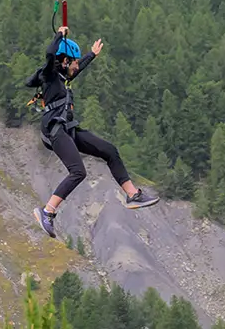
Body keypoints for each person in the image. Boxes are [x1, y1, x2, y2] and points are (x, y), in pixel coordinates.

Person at [24, 25, 158, 236]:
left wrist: (92, 55)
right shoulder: (50, 74)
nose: (76, 67)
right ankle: (47, 212)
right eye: (74, 62)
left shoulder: (63, 78)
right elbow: (50, 54)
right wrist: (60, 34)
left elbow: (78, 68)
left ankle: (133, 195)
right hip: (54, 130)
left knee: (109, 150)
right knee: (78, 171)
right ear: (65, 61)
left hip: (68, 129)